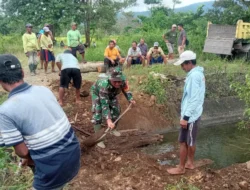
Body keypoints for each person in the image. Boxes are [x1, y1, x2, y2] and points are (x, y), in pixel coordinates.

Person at [0, 54, 80, 189]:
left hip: (53, 167)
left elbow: (23, 152)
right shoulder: (44, 90)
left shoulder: (5, 111)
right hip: (74, 156)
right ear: (23, 73)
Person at [167, 51, 205, 175]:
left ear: (189, 63)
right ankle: (189, 163)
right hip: (192, 114)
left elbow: (194, 99)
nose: (182, 67)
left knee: (184, 141)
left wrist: (186, 117)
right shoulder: (197, 74)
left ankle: (181, 168)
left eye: (183, 65)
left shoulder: (194, 76)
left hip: (191, 116)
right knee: (190, 140)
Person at [90, 67, 136, 148]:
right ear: (110, 79)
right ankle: (99, 139)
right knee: (97, 113)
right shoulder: (103, 85)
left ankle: (113, 129)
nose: (118, 83)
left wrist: (130, 99)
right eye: (115, 81)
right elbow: (105, 105)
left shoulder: (123, 81)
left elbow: (126, 90)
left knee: (116, 110)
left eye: (119, 81)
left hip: (112, 94)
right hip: (98, 94)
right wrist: (108, 120)